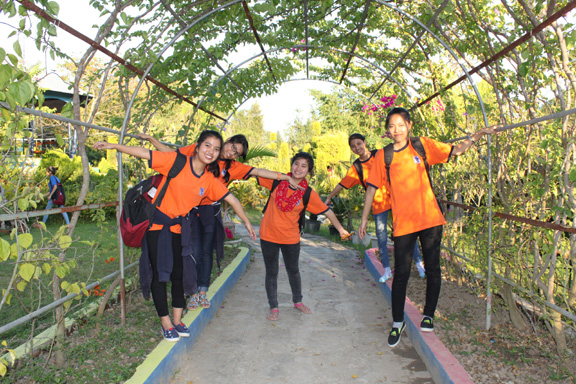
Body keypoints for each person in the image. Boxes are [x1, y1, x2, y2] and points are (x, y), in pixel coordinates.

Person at [94, 130, 257, 342]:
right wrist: (115, 146)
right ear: (197, 147)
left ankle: (178, 320)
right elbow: (145, 153)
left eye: (216, 149)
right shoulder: (177, 162)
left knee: (179, 274)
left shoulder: (209, 180)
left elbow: (232, 200)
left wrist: (246, 221)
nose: (212, 151)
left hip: (180, 228)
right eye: (207, 145)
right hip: (157, 227)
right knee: (159, 275)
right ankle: (165, 322)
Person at [358, 107, 498, 348]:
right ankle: (397, 322)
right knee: (401, 274)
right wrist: (363, 219)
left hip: (431, 220)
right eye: (392, 126)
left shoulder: (421, 145)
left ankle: (429, 314)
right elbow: (371, 187)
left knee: (433, 268)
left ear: (409, 125)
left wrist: (477, 134)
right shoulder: (384, 156)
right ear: (387, 131)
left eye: (401, 124)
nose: (397, 130)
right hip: (404, 224)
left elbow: (457, 151)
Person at [139, 133, 301, 311]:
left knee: (207, 252)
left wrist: (285, 177)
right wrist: (153, 141)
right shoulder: (204, 151)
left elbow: (258, 171)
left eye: (237, 153)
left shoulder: (233, 167)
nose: (232, 154)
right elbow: (173, 156)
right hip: (190, 210)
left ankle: (202, 292)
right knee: (193, 252)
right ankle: (192, 293)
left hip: (210, 211)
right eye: (232, 148)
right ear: (228, 141)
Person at [257, 152, 350, 321]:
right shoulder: (277, 181)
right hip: (268, 235)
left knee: (293, 271)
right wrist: (281, 176)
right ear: (291, 165)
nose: (298, 168)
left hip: (290, 238)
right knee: (271, 272)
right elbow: (255, 172)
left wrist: (341, 229)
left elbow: (326, 210)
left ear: (309, 171)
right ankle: (274, 306)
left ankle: (298, 301)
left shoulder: (308, 193)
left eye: (303, 166)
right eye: (296, 164)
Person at [324, 133, 425, 283]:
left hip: (396, 199)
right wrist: (330, 196)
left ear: (365, 142)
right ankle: (386, 270)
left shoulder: (380, 155)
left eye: (359, 143)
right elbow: (343, 183)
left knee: (407, 233)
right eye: (353, 146)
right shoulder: (356, 168)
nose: (357, 147)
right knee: (382, 238)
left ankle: (420, 265)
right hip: (378, 205)